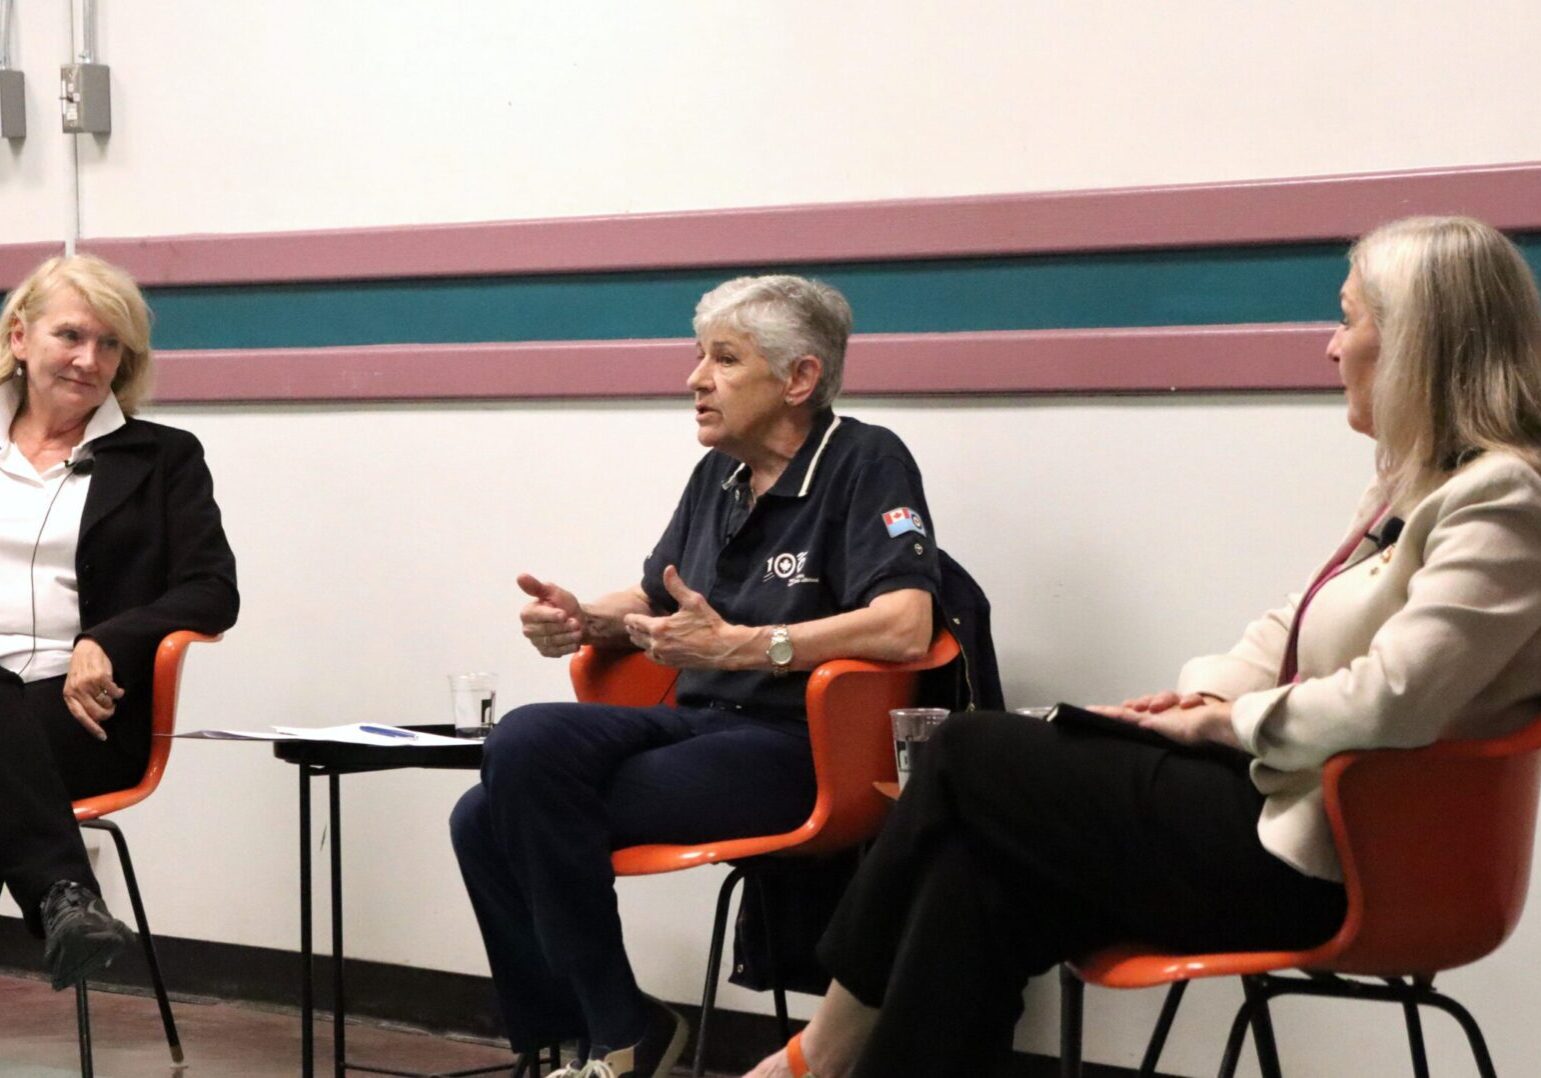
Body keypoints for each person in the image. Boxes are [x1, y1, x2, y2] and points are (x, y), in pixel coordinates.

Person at [746, 214, 1541, 1078]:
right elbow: (1288, 629)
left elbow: (1394, 698)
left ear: (1417, 341)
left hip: (1348, 859)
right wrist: (1202, 695)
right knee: (976, 877)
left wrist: (1222, 724)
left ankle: (816, 1056)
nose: (1329, 347)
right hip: (1283, 806)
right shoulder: (1413, 481)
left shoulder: (1503, 497)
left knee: (968, 748)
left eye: (1348, 320)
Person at [450, 275, 944, 1078]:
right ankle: (605, 1030)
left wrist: (747, 647)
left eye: (723, 359)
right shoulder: (717, 476)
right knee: (523, 743)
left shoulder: (864, 460)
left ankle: (614, 1040)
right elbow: (653, 598)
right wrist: (585, 618)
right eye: (697, 357)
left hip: (800, 746)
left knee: (486, 815)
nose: (694, 380)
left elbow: (906, 624)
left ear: (798, 379)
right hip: (698, 721)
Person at [0, 255, 239, 990]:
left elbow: (211, 589)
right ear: (18, 337)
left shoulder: (162, 457)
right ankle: (67, 897)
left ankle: (64, 896)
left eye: (111, 345)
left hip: (84, 717)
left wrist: (106, 639)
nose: (89, 360)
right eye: (70, 335)